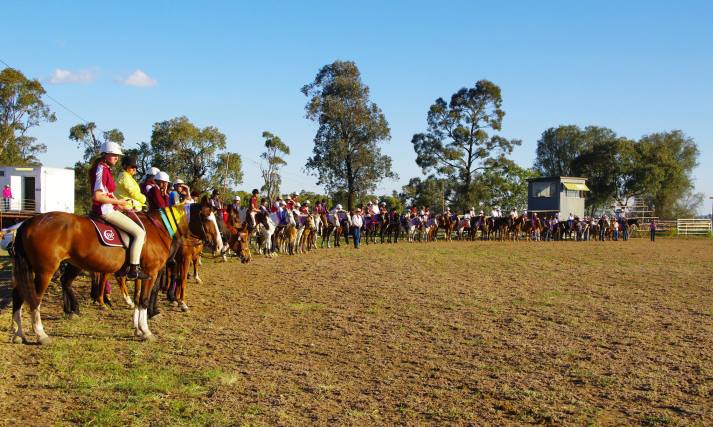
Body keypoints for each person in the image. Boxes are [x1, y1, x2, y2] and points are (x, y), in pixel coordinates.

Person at [89, 141, 150, 280]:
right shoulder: (101, 169)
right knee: (140, 233)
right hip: (105, 210)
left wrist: (119, 205)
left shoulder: (104, 168)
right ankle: (134, 268)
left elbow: (108, 193)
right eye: (114, 155)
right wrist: (118, 202)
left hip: (111, 208)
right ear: (105, 155)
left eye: (117, 155)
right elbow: (97, 196)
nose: (117, 158)